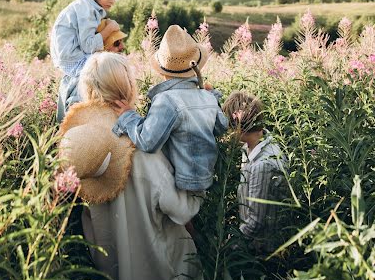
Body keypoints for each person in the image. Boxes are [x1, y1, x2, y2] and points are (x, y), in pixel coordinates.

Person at [59, 52, 200, 280]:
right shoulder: (145, 150)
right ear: (129, 88)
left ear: (88, 91)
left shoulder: (86, 151)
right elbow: (181, 210)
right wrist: (198, 189)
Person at [112, 24, 229, 192]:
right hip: (206, 180)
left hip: (178, 184)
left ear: (162, 71)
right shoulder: (207, 96)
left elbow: (147, 142)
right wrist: (213, 99)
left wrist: (128, 116)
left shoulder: (166, 100)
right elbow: (221, 127)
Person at [50, 0, 124, 122]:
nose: (112, 0)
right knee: (104, 68)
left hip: (68, 55)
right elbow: (88, 46)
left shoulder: (86, 6)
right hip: (73, 58)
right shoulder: (87, 11)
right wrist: (109, 29)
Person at [222, 91, 288, 254]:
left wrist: (227, 249)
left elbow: (255, 222)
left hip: (261, 252)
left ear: (238, 126)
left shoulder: (262, 165)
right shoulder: (256, 146)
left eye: (230, 127)